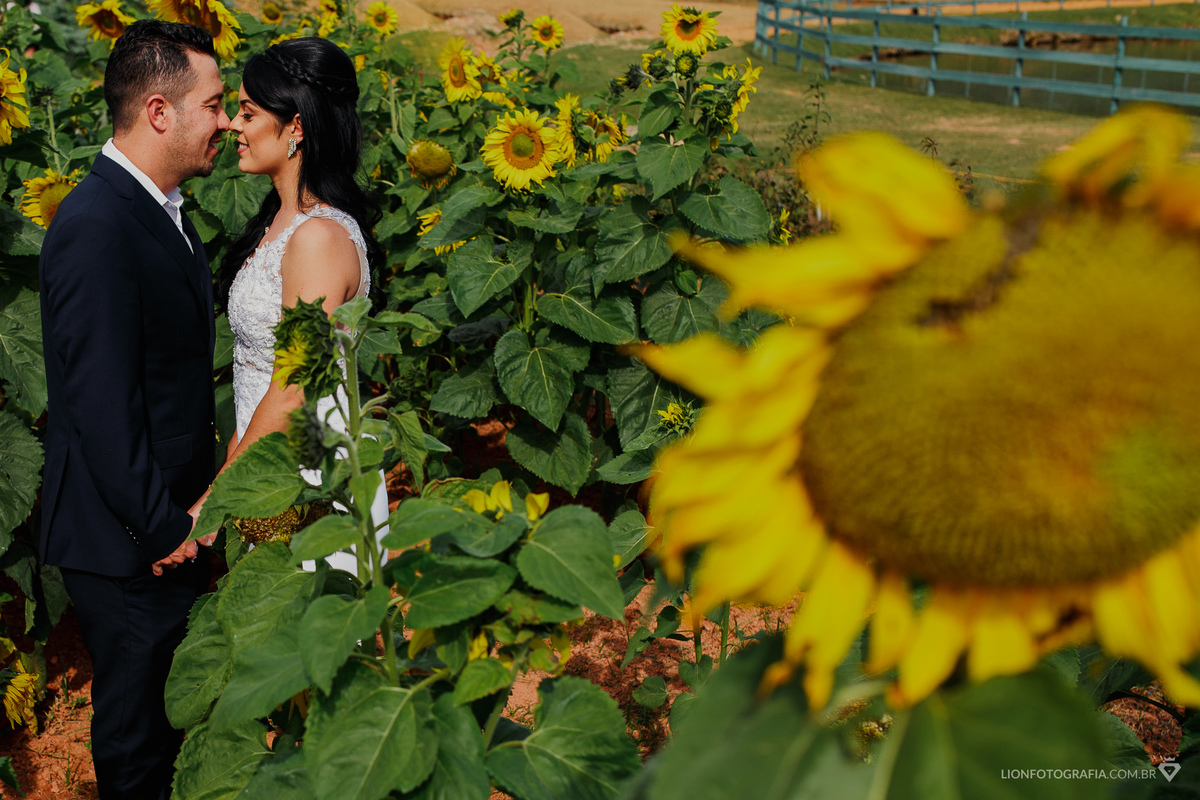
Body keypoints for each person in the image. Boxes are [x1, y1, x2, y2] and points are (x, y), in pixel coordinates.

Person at [37, 20, 228, 800]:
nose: (225, 119)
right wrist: (164, 528)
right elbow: (100, 403)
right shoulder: (95, 225)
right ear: (159, 111)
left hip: (160, 526)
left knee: (166, 727)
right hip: (129, 541)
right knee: (138, 743)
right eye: (213, 103)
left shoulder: (153, 207)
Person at [196, 37, 389, 571]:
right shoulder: (277, 223)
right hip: (268, 464)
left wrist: (212, 504)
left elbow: (293, 386)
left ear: (296, 127)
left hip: (312, 473)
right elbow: (256, 374)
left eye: (248, 112)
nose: (233, 124)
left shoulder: (319, 238)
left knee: (307, 637)